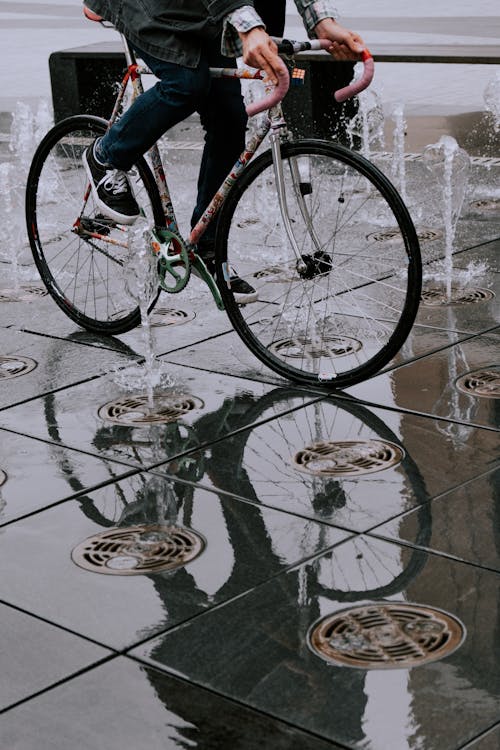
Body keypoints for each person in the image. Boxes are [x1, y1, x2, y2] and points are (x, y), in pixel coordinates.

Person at [82, 0, 365, 302]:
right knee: (186, 84)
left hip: (203, 9)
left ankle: (207, 245)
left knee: (230, 118)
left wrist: (321, 21)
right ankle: (105, 155)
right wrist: (248, 26)